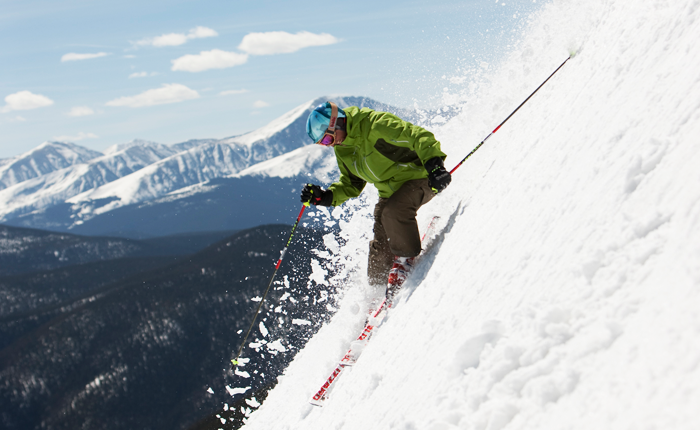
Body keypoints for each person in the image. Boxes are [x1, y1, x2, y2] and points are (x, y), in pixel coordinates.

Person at [300, 101, 451, 304]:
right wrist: (326, 197)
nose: (330, 145)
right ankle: (377, 291)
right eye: (324, 143)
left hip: (421, 177)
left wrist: (434, 165)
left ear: (338, 123)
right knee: (380, 248)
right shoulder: (343, 148)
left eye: (327, 138)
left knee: (393, 212)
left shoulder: (375, 125)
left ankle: (405, 261)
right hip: (390, 192)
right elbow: (351, 183)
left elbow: (418, 136)